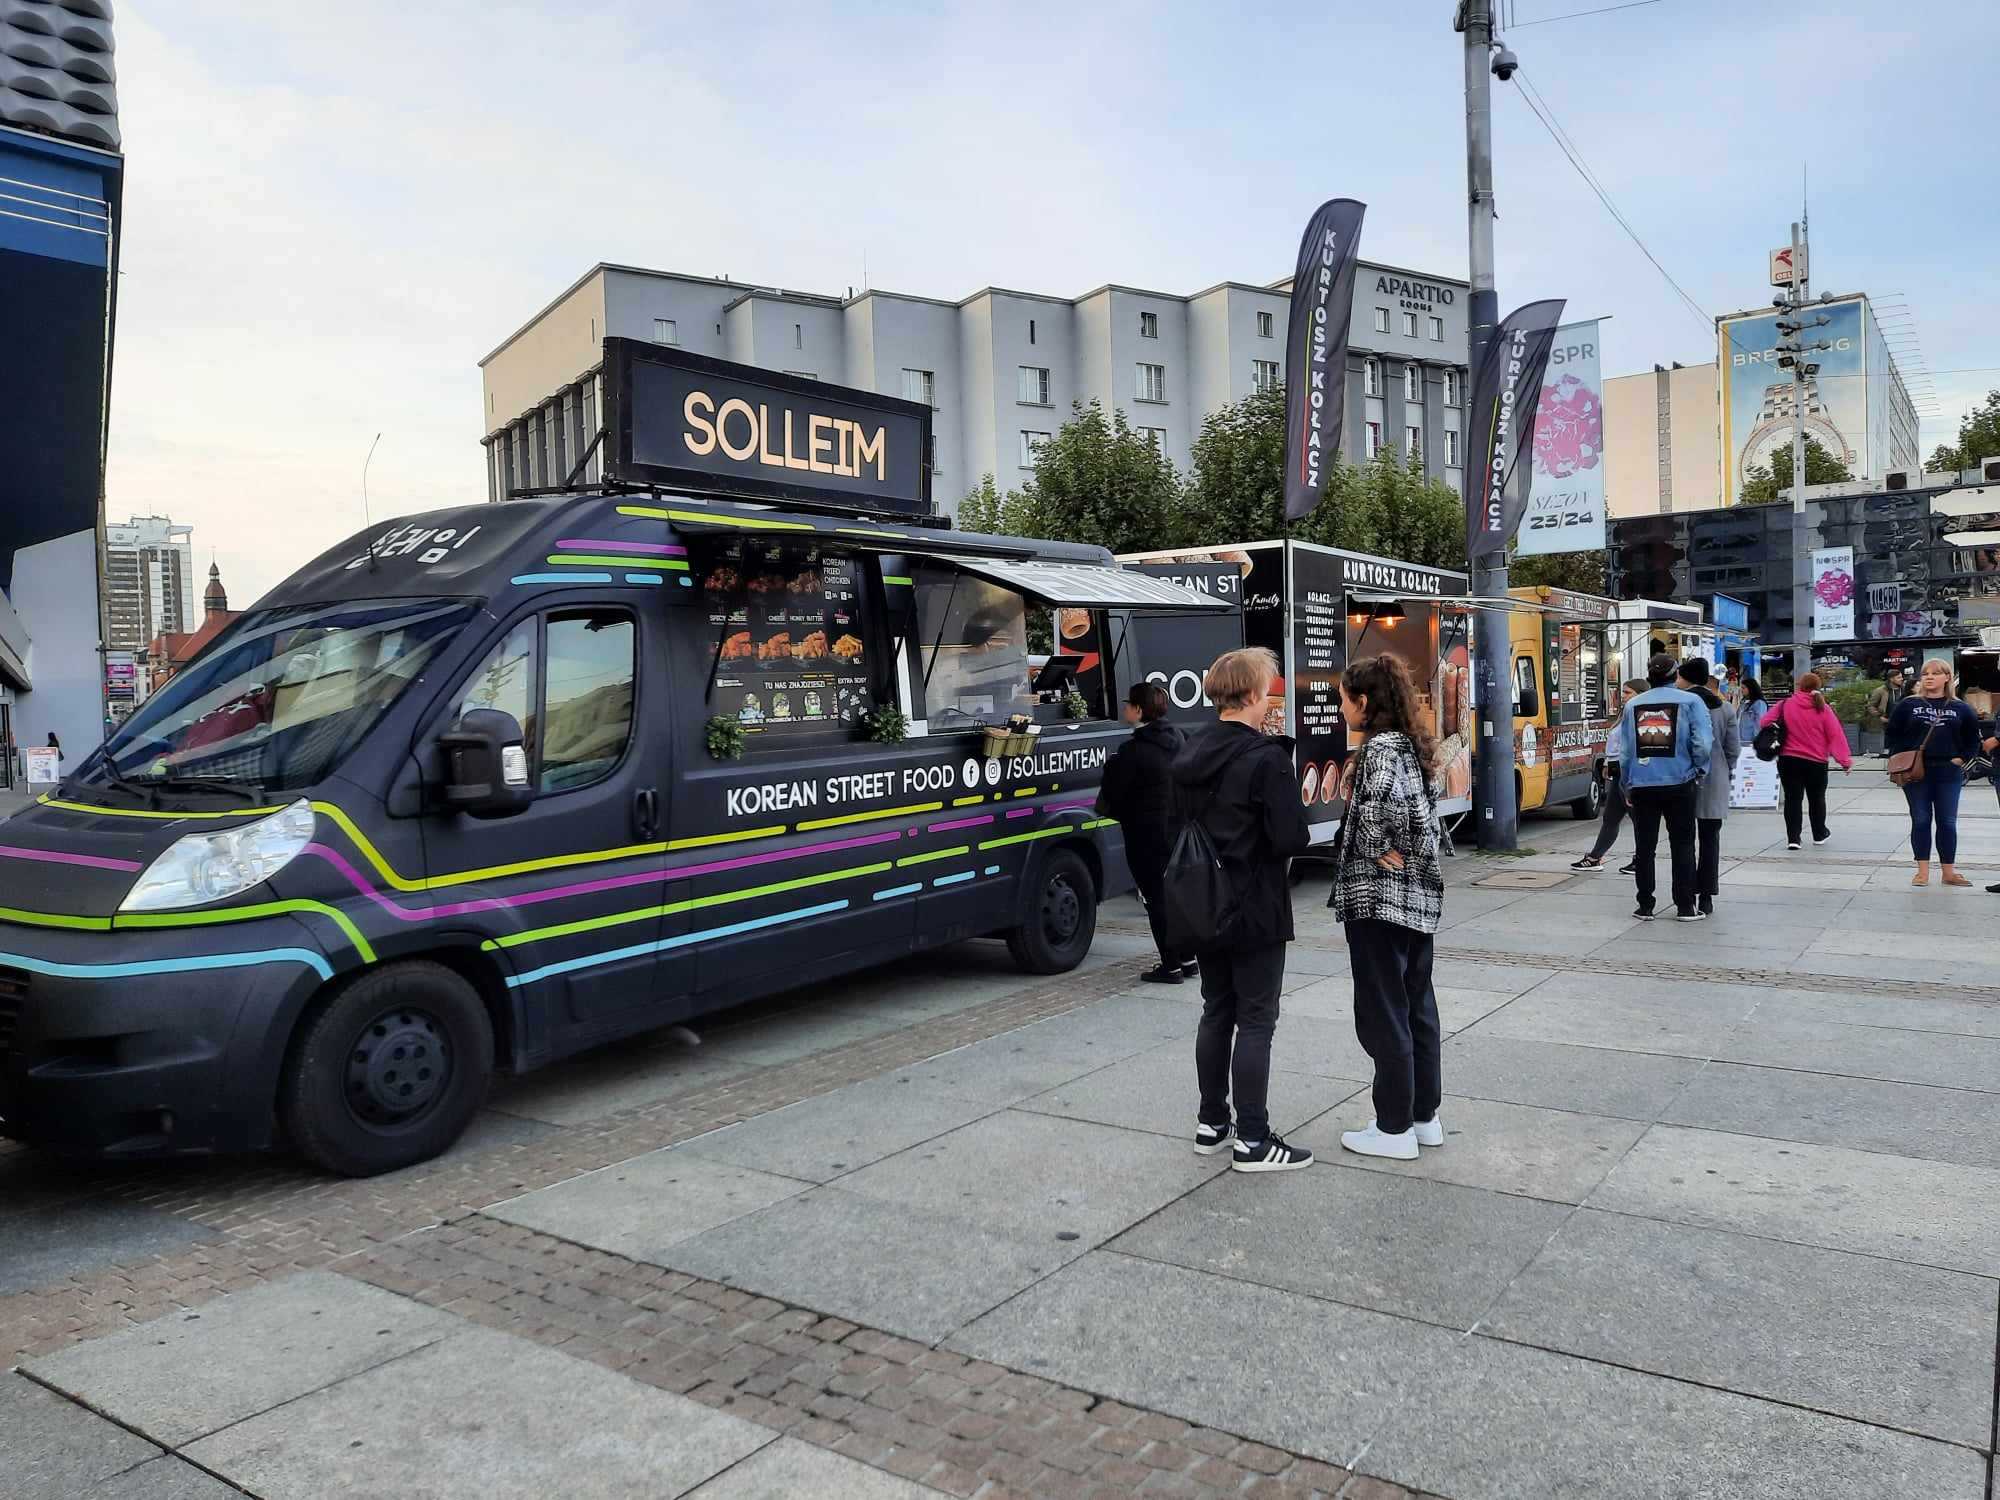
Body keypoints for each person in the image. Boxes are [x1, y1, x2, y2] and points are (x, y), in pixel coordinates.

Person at [1172, 648, 1314, 1173]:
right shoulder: (1266, 758)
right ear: (1253, 694)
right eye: (1271, 686)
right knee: (1256, 1019)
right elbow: (1290, 837)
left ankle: (1212, 1122)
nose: (1273, 694)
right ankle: (1253, 1138)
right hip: (1255, 905)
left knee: (1217, 1008)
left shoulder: (1188, 752)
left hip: (1204, 903)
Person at [1327, 655, 1447, 1162]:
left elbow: (1387, 808)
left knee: (1383, 1011)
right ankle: (1423, 1117)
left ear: (1364, 701)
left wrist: (1374, 845)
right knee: (1417, 1006)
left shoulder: (1379, 749)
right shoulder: (1410, 747)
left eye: (1343, 699)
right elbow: (1426, 809)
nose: (1340, 708)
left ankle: (1392, 1125)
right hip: (1416, 899)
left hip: (1380, 899)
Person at [1098, 680, 1194, 983]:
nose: (1125, 708)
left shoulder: (1132, 752)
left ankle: (1170, 964)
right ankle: (1189, 958)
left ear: (1139, 710)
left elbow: (1112, 796)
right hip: (1178, 830)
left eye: (1128, 704)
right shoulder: (1180, 738)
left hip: (1146, 836)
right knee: (1179, 896)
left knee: (1155, 899)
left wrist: (1110, 769)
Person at [1615, 653, 1712, 922]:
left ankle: (1645, 905)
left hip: (1642, 783)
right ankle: (1685, 905)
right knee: (1682, 844)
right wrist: (1699, 769)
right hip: (1680, 781)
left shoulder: (1634, 704)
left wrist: (1627, 783)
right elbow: (1703, 744)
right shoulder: (1692, 702)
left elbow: (1624, 752)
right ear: (1675, 674)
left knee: (1644, 846)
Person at [1886, 658, 1982, 888]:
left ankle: (1948, 871)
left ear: (1947, 677)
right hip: (1916, 771)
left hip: (1948, 772)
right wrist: (1901, 759)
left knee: (1947, 821)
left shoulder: (1960, 707)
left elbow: (1972, 740)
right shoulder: (1907, 705)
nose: (1929, 677)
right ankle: (1922, 871)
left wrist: (1960, 760)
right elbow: (1892, 735)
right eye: (1925, 673)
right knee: (1920, 819)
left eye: (1935, 673)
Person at [1677, 659, 1741, 917]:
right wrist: (1726, 769)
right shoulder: (1724, 708)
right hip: (1715, 779)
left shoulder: (1680, 705)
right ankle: (1706, 895)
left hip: (1683, 778)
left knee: (1683, 840)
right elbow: (1733, 748)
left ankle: (1686, 894)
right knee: (1710, 839)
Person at [1760, 672, 1852, 850]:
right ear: (1818, 687)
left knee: (1793, 799)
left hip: (1788, 760)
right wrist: (1844, 761)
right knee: (1817, 798)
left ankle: (1793, 839)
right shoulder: (1823, 708)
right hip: (1816, 761)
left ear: (1799, 686)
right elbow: (1835, 735)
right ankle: (1819, 834)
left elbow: (1764, 722)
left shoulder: (1785, 704)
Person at [1571, 678, 1649, 872]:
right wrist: (1607, 762)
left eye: (1628, 692)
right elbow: (1615, 744)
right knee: (1611, 818)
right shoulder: (1626, 713)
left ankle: (1642, 859)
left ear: (1640, 694)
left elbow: (1632, 746)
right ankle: (1595, 857)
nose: (1623, 696)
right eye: (1623, 692)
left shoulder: (1641, 713)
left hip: (1629, 771)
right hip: (1616, 770)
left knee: (1639, 819)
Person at [1736, 678, 1766, 747]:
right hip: (1740, 741)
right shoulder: (1743, 703)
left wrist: (1756, 740)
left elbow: (1759, 723)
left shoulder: (1759, 703)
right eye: (1741, 688)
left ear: (1751, 688)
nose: (1741, 690)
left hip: (1751, 742)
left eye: (1743, 688)